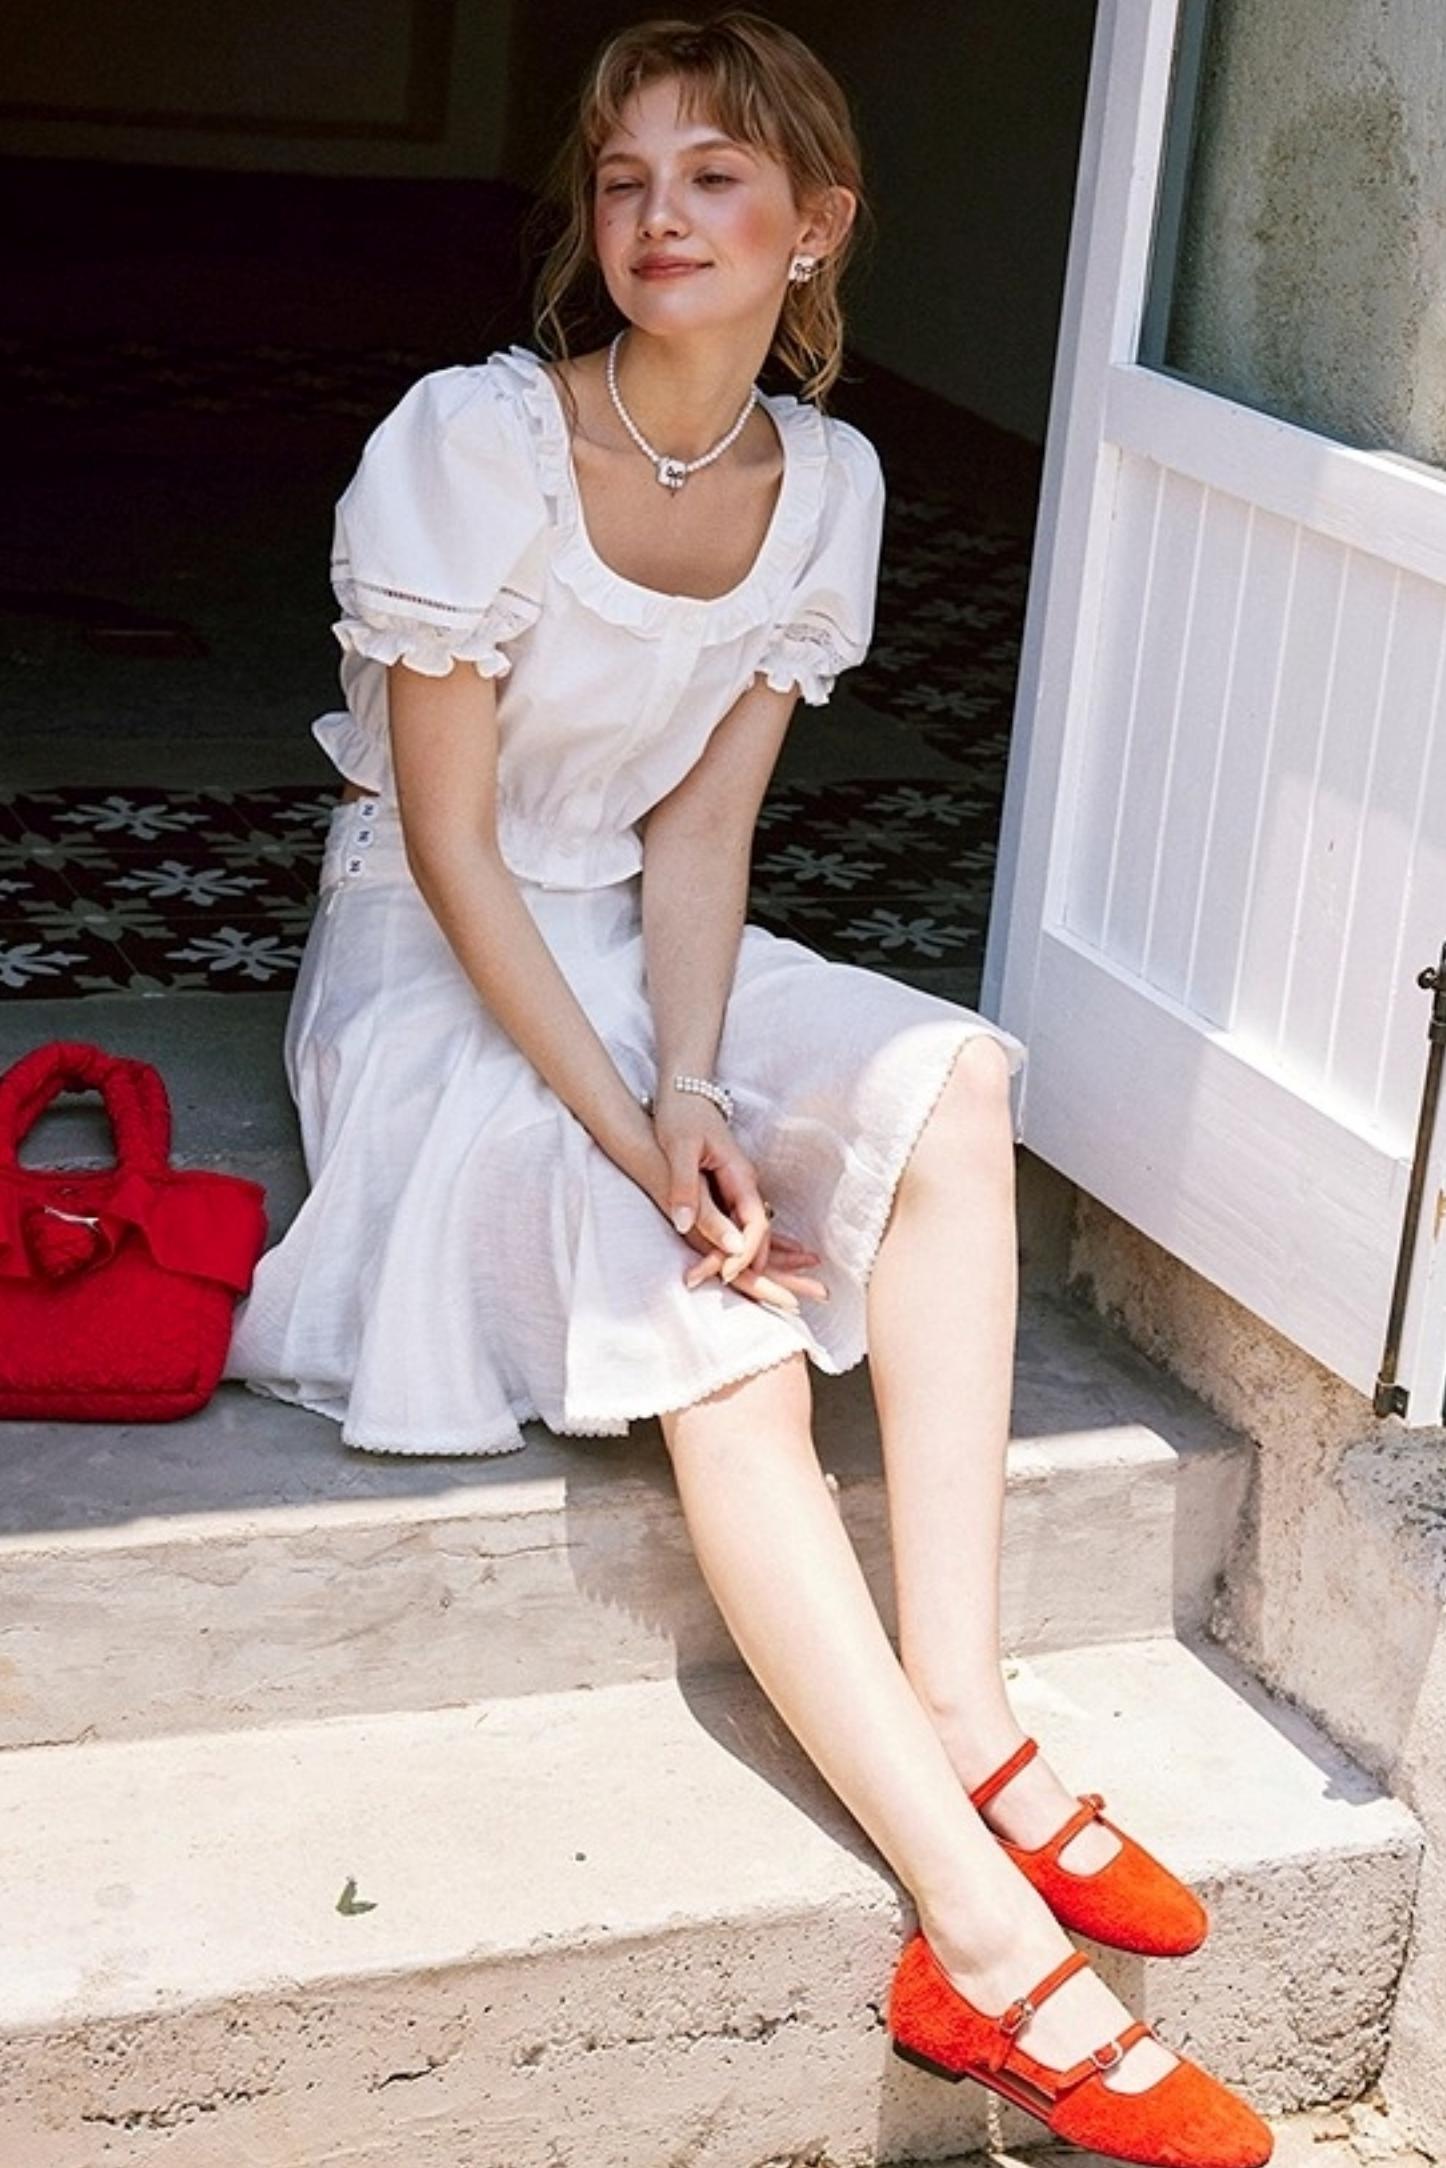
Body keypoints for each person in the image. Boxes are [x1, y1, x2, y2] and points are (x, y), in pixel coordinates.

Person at [225, 12, 1272, 2162]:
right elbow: (450, 846)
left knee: (952, 1080)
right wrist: (635, 1141)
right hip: (436, 963)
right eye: (624, 179)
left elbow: (701, 834)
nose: (659, 216)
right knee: (717, 1313)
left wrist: (693, 1076)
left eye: (715, 177)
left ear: (816, 227)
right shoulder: (474, 444)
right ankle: (981, 1944)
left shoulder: (833, 485)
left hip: (634, 934)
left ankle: (966, 1710)